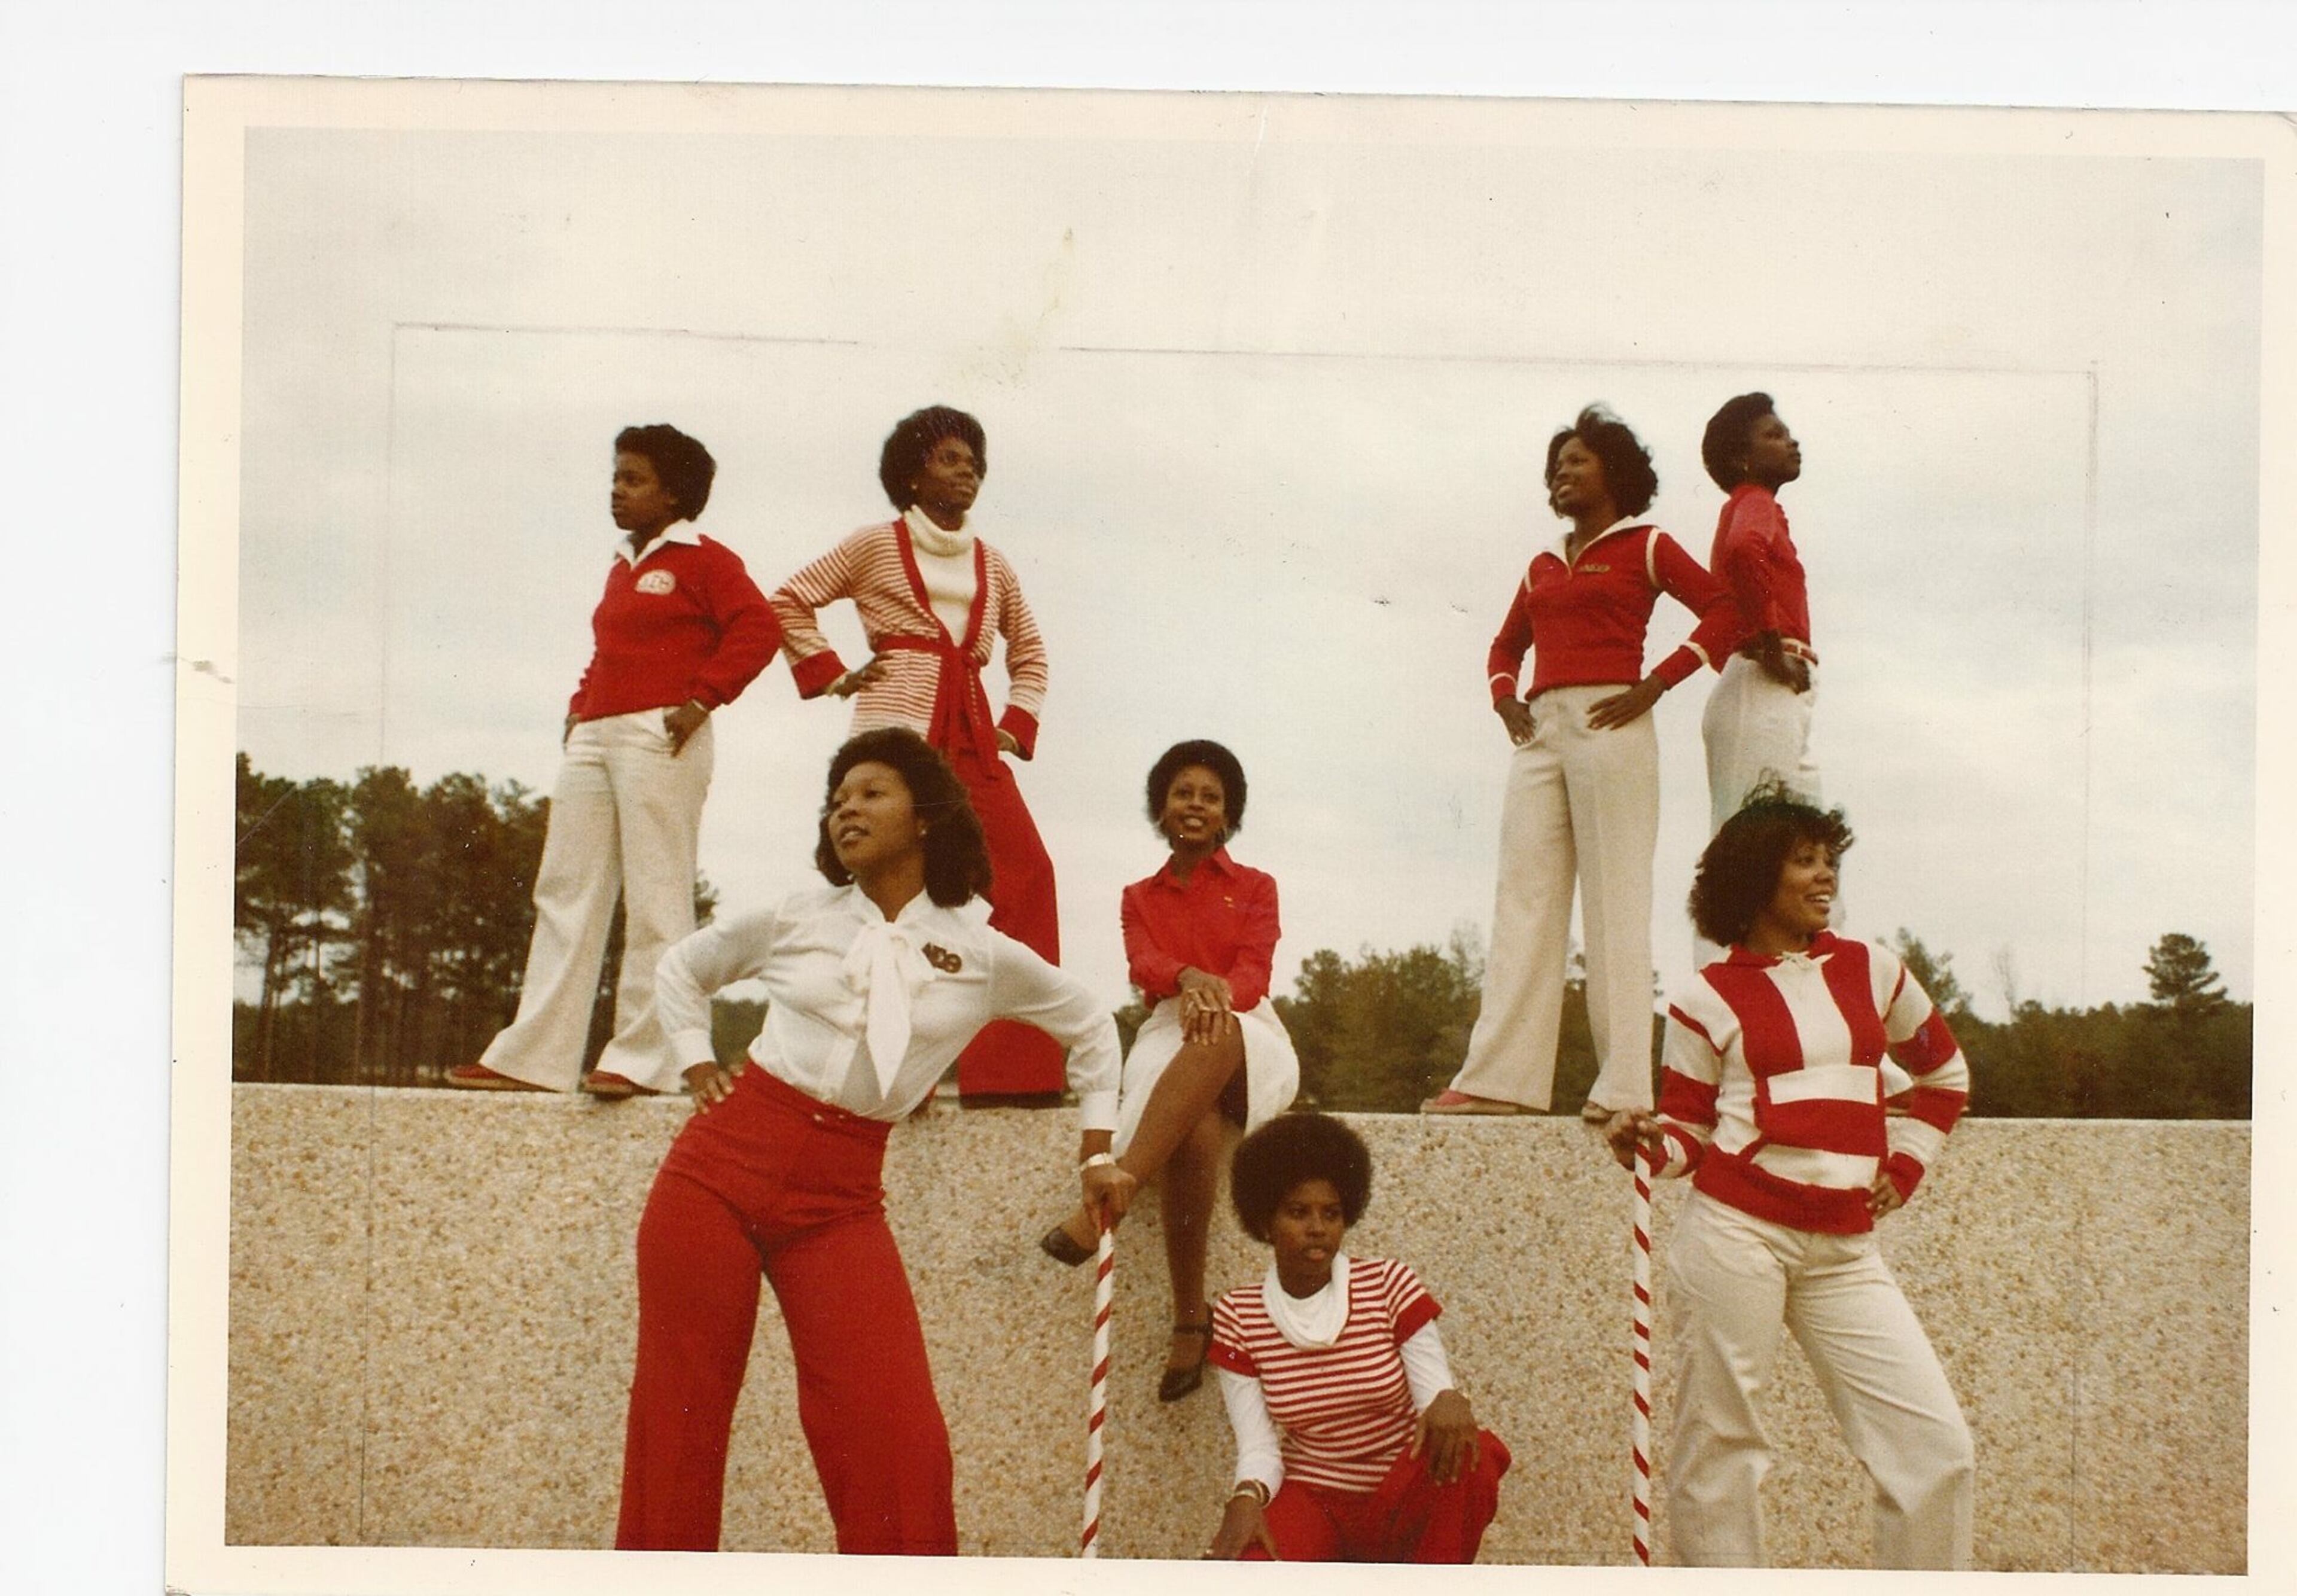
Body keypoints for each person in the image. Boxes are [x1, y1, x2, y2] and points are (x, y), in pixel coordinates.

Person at [614, 727, 1131, 1554]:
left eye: (870, 793)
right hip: (716, 1173)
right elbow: (682, 969)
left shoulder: (982, 951)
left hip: (841, 1202)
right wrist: (694, 1060)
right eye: (837, 799)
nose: (845, 809)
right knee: (680, 1421)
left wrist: (1096, 1150)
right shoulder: (797, 916)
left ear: (924, 816)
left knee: (898, 1436)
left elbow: (1093, 1027)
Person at [1606, 786, 1974, 1568]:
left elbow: (1945, 1078)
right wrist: (1642, 1145)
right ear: (1754, 879)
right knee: (1722, 1448)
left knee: (1935, 1448)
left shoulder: (1875, 970)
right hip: (1736, 1237)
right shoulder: (1705, 997)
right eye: (1804, 860)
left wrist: (1905, 1165)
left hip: (1846, 1250)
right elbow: (1688, 1135)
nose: (1825, 874)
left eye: (1828, 859)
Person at [1422, 406, 1736, 1122]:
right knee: (1523, 896)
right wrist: (1505, 698)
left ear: (1614, 472)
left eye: (1578, 461)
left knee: (1616, 900)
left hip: (1613, 721)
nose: (1562, 473)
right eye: (1556, 465)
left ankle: (1623, 1089)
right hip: (1542, 730)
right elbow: (1505, 645)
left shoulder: (1647, 544)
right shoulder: (1541, 562)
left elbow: (1724, 610)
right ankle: (1499, 1080)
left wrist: (1658, 683)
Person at [449, 424, 781, 1098]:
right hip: (596, 736)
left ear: (674, 493)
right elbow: (608, 649)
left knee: (658, 897)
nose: (617, 490)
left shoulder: (707, 560)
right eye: (616, 477)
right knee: (564, 890)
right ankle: (533, 1058)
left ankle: (644, 1060)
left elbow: (759, 628)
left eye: (634, 479)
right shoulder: (622, 566)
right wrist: (581, 705)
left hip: (662, 735)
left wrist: (703, 699)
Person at [771, 405, 1065, 1101]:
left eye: (975, 462)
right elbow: (788, 601)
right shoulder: (873, 545)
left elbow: (1029, 651)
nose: (968, 472)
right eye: (950, 459)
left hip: (971, 733)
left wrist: (1014, 723)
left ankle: (1014, 1077)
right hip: (895, 731)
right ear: (911, 472)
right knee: (892, 890)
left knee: (1024, 874)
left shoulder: (994, 563)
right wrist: (832, 672)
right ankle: (887, 1069)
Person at [1037, 740, 1300, 1403]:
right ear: (1162, 806)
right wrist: (1187, 980)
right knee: (1197, 1130)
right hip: (1167, 1027)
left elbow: (1255, 969)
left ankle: (1116, 1187)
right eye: (1184, 793)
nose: (1196, 805)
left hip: (1247, 1028)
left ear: (1228, 814)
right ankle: (1190, 1320)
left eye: (1211, 797)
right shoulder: (1138, 896)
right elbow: (1143, 964)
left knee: (1219, 1034)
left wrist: (1217, 997)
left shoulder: (1257, 887)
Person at [1202, 1113, 1509, 1563]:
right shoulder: (1239, 1315)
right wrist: (1247, 1495)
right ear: (1265, 1222)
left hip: (1402, 1493)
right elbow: (1259, 1447)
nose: (1318, 1228)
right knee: (1253, 1565)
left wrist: (1449, 1398)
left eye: (1331, 1213)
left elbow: (1436, 1405)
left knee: (1471, 1454)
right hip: (1315, 1499)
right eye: (1298, 1212)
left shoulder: (1389, 1284)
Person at [1697, 393, 1822, 967]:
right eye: (1774, 434)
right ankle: (1724, 997)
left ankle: (1797, 987)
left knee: (1798, 849)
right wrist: (1771, 644)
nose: (1791, 441)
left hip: (1777, 689)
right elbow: (1744, 551)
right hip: (1763, 682)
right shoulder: (1754, 503)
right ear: (1742, 460)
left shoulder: (1759, 505)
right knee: (1748, 854)